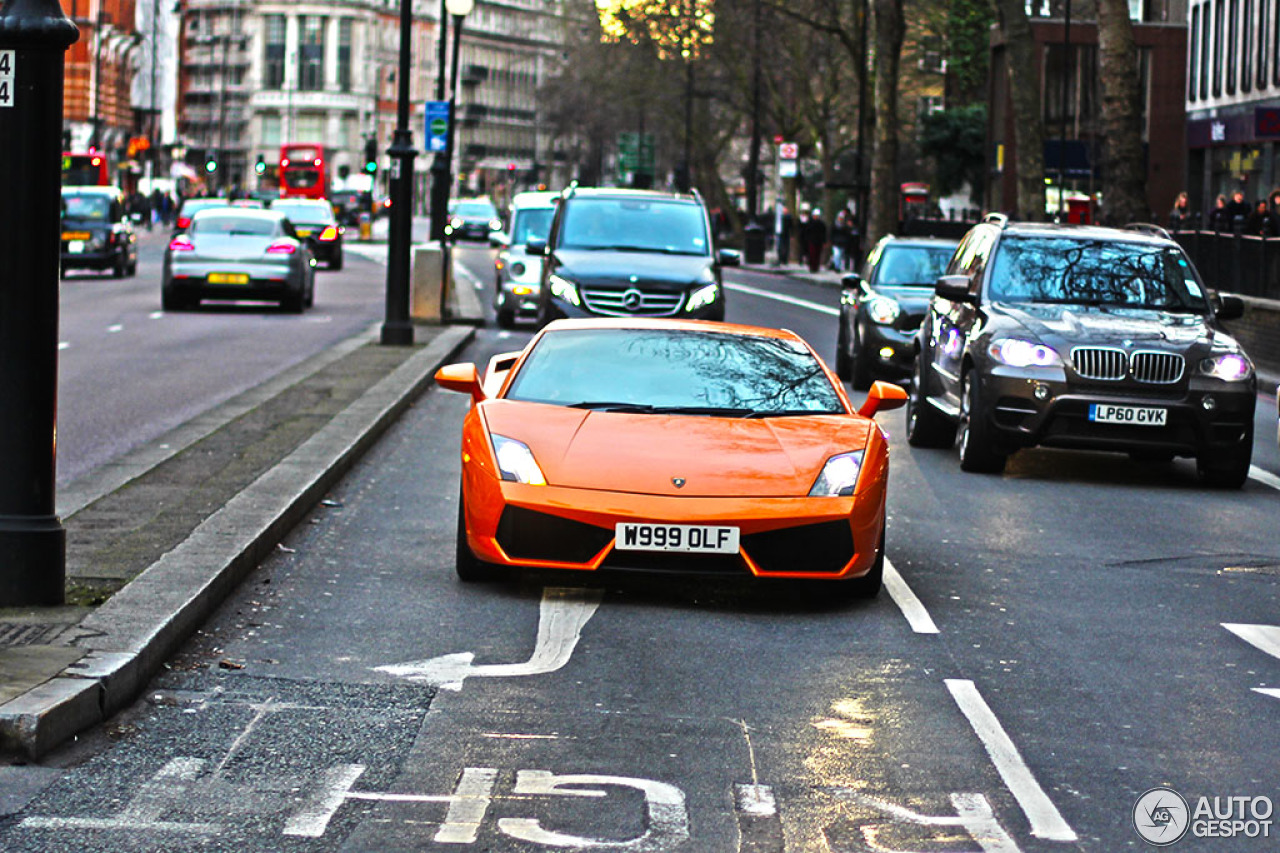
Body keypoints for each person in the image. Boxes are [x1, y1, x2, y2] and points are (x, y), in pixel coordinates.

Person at [800, 207, 827, 273]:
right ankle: (812, 267)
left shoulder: (821, 224)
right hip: (811, 240)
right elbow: (806, 232)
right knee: (812, 254)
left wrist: (824, 241)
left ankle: (816, 267)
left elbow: (824, 233)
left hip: (818, 241)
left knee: (817, 254)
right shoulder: (809, 223)